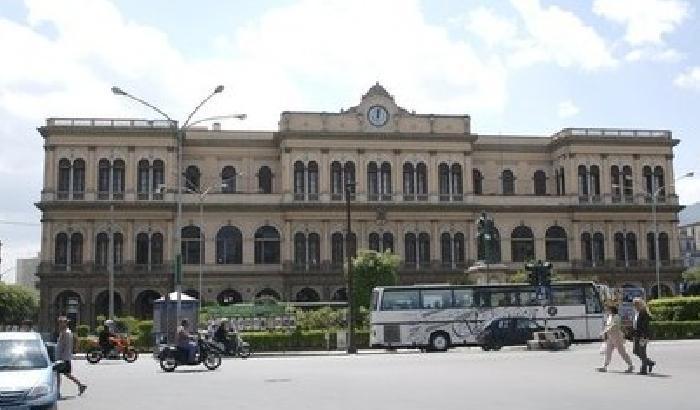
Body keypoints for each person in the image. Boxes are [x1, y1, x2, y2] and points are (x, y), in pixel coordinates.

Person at [597, 305, 634, 373]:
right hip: (610, 337)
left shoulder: (617, 317)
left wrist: (604, 332)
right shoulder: (610, 317)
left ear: (612, 310)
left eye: (608, 310)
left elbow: (613, 325)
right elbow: (607, 326)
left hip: (617, 336)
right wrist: (604, 333)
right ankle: (604, 366)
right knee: (608, 352)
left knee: (622, 352)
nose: (607, 311)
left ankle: (630, 365)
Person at [56, 316, 87, 396]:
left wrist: (59, 357)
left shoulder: (65, 333)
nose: (59, 324)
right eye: (59, 322)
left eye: (61, 322)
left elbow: (63, 346)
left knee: (60, 374)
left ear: (65, 323)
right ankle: (80, 385)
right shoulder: (65, 332)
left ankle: (58, 391)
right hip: (65, 357)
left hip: (64, 358)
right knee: (63, 374)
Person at [632, 297, 655, 375]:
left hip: (642, 335)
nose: (635, 305)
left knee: (642, 352)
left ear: (641, 304)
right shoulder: (636, 313)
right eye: (634, 304)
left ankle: (644, 369)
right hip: (636, 334)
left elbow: (645, 326)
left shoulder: (644, 313)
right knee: (635, 351)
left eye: (636, 304)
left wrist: (644, 336)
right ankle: (649, 362)